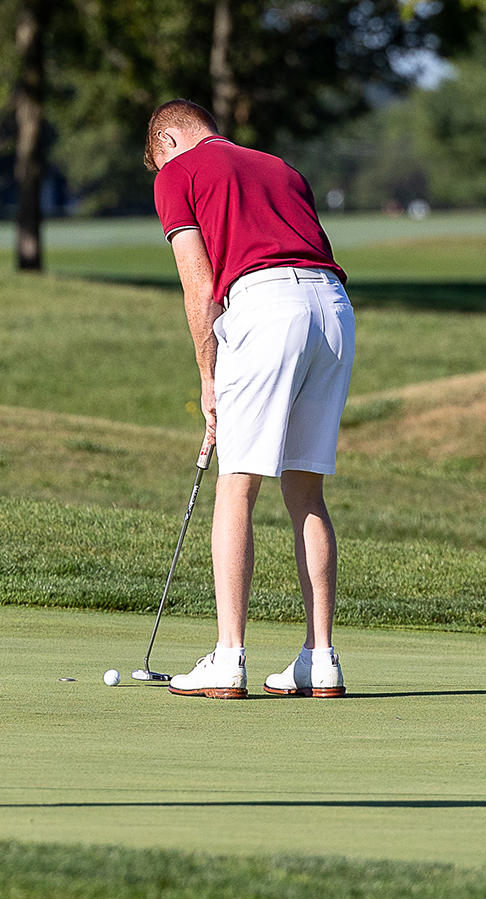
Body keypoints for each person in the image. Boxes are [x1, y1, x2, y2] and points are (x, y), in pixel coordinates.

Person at [146, 99, 355, 700]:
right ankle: (321, 660)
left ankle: (229, 658)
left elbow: (201, 283)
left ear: (168, 140)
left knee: (237, 483)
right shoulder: (280, 167)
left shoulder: (176, 173)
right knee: (306, 488)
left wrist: (207, 377)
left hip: (265, 308)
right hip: (333, 311)